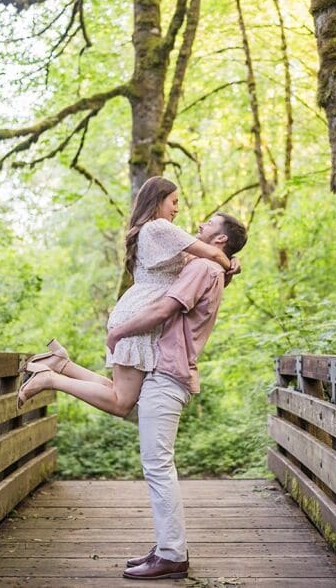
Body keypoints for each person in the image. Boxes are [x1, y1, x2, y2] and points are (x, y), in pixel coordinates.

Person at [16, 176, 233, 418]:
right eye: (173, 201)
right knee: (121, 403)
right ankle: (50, 379)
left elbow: (203, 269)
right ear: (158, 201)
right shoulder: (160, 227)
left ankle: (60, 365)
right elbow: (213, 254)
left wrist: (228, 264)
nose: (177, 208)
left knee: (116, 392)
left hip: (138, 312)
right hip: (142, 316)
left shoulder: (155, 232)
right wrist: (230, 262)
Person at [106, 211, 248, 580]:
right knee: (157, 463)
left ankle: (172, 554)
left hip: (168, 373)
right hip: (168, 372)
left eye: (208, 226)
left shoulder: (204, 269)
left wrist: (119, 331)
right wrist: (229, 264)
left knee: (157, 465)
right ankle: (168, 545)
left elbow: (165, 308)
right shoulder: (211, 268)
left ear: (220, 239)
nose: (199, 227)